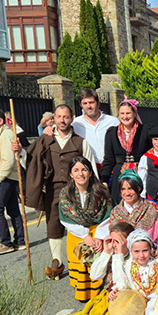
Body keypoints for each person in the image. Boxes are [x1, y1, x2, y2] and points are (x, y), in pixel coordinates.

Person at [22, 104, 97, 276]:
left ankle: (84, 256)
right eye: (59, 116)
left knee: (80, 221)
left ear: (72, 119)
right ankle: (57, 261)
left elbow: (91, 166)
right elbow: (30, 161)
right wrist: (19, 151)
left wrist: (96, 188)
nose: (62, 120)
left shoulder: (80, 142)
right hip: (53, 189)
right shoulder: (45, 140)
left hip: (77, 189)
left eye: (66, 117)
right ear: (53, 119)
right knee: (53, 223)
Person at [53, 222, 134, 315]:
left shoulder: (133, 257)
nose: (113, 245)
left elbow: (122, 284)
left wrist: (119, 255)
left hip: (125, 299)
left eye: (118, 241)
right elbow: (95, 275)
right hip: (109, 296)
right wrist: (106, 252)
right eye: (111, 240)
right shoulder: (111, 252)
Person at [58, 156, 113, 302]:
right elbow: (65, 218)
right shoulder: (65, 193)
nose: (80, 174)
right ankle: (82, 294)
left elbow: (108, 215)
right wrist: (84, 236)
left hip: (97, 231)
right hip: (77, 233)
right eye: (76, 170)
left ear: (90, 172)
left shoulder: (100, 191)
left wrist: (99, 237)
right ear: (70, 174)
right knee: (81, 265)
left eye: (84, 169)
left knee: (97, 262)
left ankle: (100, 292)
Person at [105, 229, 158, 315]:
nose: (141, 255)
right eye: (136, 251)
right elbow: (122, 283)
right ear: (130, 251)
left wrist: (150, 312)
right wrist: (115, 291)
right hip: (133, 306)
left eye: (145, 251)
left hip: (151, 307)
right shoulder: (128, 264)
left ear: (150, 250)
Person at [0, 107, 25, 255]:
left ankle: (5, 243)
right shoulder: (1, 134)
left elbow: (9, 161)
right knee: (13, 210)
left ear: (0, 121)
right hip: (7, 178)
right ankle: (20, 241)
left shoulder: (6, 134)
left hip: (5, 178)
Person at [94, 169, 158, 244]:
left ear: (138, 188)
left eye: (130, 188)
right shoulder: (116, 211)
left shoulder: (151, 207)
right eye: (123, 189)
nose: (127, 193)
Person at [100, 98, 151, 204]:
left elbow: (157, 146)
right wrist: (104, 180)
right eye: (122, 113)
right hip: (119, 175)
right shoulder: (111, 133)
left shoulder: (145, 130)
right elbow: (109, 160)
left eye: (128, 113)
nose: (125, 116)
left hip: (140, 173)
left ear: (134, 114)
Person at [72, 88, 120, 168]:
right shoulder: (75, 124)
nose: (88, 106)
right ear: (81, 105)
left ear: (98, 103)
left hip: (112, 167)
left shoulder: (113, 122)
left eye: (91, 102)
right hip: (89, 168)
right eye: (85, 103)